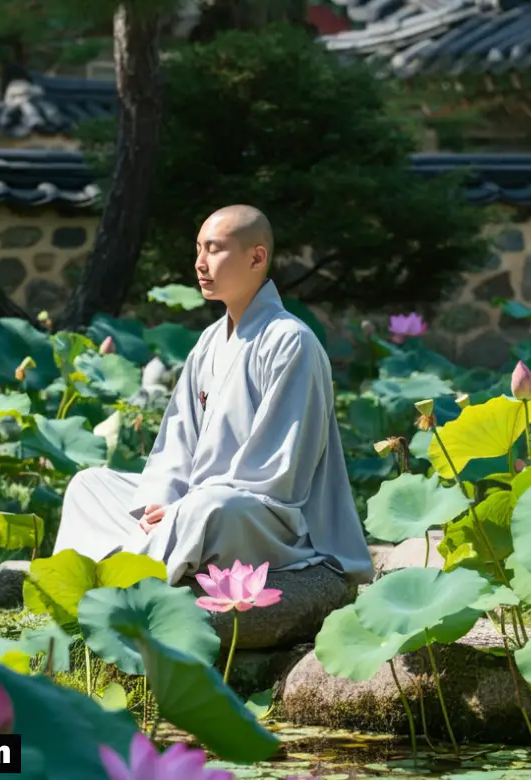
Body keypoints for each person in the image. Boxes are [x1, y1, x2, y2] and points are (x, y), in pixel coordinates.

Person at [52, 205, 374, 586]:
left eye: (214, 249)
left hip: (265, 518)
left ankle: (129, 575)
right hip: (192, 505)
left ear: (257, 257)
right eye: (198, 249)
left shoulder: (292, 342)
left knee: (212, 508)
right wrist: (163, 501)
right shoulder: (207, 342)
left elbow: (276, 475)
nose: (200, 263)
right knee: (90, 485)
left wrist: (184, 507)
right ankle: (139, 556)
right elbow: (177, 442)